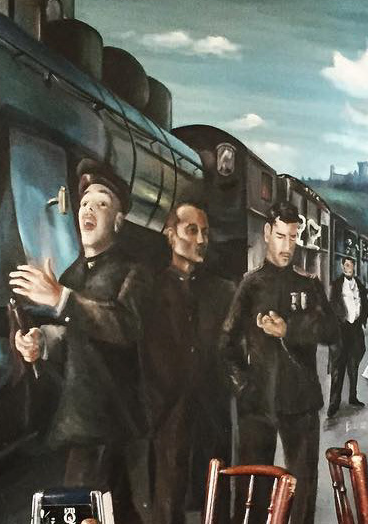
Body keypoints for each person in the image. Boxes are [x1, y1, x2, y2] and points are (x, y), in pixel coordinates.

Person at [11, 159, 152, 523]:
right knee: (97, 511)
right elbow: (73, 338)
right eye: (85, 203)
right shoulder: (73, 274)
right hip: (81, 419)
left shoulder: (133, 273)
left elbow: (124, 326)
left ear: (118, 221)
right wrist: (41, 342)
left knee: (102, 510)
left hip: (113, 420)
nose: (89, 209)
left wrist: (62, 299)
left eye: (102, 203)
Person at [219, 201, 339, 524]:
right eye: (281, 236)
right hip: (258, 403)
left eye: (293, 237)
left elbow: (332, 330)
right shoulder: (250, 285)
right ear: (267, 233)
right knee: (252, 494)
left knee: (302, 493)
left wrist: (290, 330)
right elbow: (226, 343)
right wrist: (243, 386)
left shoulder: (308, 284)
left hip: (301, 402)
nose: (287, 246)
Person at [147, 202, 235, 524]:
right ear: (171, 236)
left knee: (216, 501)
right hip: (169, 417)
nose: (201, 240)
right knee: (169, 504)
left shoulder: (221, 291)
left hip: (212, 416)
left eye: (205, 233)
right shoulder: (152, 290)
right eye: (192, 231)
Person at [327, 257, 368, 417]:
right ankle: (334, 403)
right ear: (342, 267)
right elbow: (332, 305)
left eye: (351, 265)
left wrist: (363, 319)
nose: (349, 268)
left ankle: (353, 397)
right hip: (341, 330)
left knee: (353, 365)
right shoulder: (336, 284)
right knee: (338, 368)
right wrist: (340, 319)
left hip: (355, 329)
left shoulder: (359, 284)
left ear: (354, 267)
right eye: (346, 265)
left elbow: (366, 305)